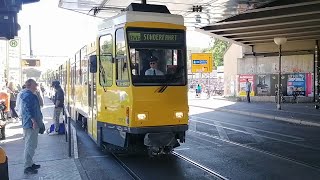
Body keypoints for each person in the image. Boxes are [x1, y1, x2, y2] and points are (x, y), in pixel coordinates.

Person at [20, 79, 43, 174]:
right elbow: (27, 110)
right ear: (29, 85)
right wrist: (34, 121)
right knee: (30, 145)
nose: (36, 85)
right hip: (30, 124)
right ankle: (27, 166)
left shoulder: (29, 94)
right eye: (35, 84)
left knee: (32, 145)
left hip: (31, 123)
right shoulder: (28, 95)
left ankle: (30, 163)